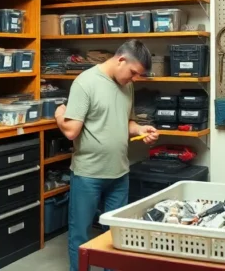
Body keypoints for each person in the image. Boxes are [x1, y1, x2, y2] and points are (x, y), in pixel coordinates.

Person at [55, 39, 159, 271]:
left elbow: (126, 121)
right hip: (88, 174)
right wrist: (59, 115)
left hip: (119, 173)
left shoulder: (127, 85)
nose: (134, 79)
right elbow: (71, 131)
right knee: (80, 235)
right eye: (133, 72)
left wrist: (140, 129)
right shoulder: (85, 83)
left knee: (115, 235)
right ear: (121, 60)